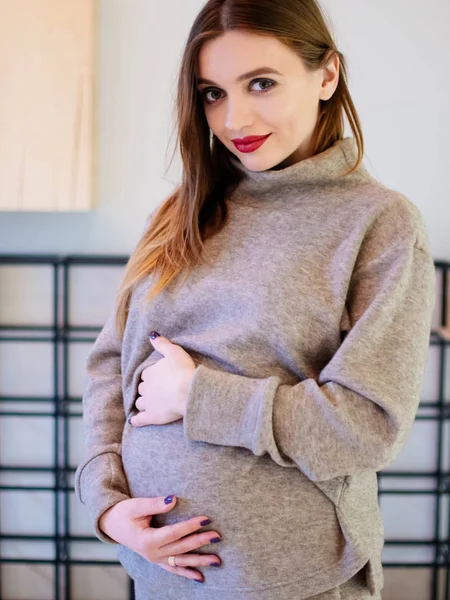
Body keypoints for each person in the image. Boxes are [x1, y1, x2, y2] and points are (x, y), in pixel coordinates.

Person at [75, 0, 437, 598]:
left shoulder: (379, 223)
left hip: (294, 580)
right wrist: (108, 506)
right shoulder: (181, 214)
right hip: (160, 577)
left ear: (327, 76)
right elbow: (110, 368)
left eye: (261, 83)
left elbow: (369, 425)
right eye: (212, 93)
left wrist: (199, 397)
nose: (233, 117)